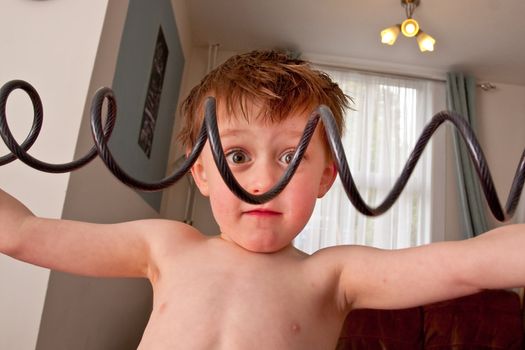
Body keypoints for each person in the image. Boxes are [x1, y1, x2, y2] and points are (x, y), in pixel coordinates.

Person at [1, 50, 524, 350]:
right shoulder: (164, 245)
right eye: (236, 157)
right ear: (199, 169)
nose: (262, 182)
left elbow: (470, 265)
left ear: (326, 176)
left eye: (292, 158)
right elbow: (24, 234)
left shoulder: (334, 276)